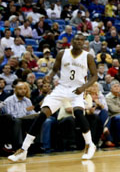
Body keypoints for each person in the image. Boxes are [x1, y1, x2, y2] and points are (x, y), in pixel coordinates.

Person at [8, 34, 98, 162]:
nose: (79, 41)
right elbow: (55, 68)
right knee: (42, 115)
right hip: (61, 88)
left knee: (78, 112)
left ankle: (89, 144)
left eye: (81, 40)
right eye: (76, 39)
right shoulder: (63, 53)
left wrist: (84, 88)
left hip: (77, 89)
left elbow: (94, 76)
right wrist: (50, 76)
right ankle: (23, 150)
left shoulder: (87, 56)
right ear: (72, 41)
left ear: (84, 43)